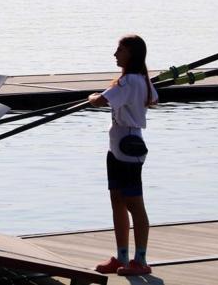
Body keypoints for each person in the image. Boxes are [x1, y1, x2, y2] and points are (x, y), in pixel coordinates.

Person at [88, 35, 158, 276]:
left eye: (119, 50)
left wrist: (91, 97)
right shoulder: (141, 80)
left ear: (130, 53)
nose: (115, 54)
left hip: (128, 148)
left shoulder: (129, 81)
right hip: (117, 146)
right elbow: (153, 99)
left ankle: (140, 260)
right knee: (117, 200)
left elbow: (99, 101)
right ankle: (121, 257)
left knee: (134, 204)